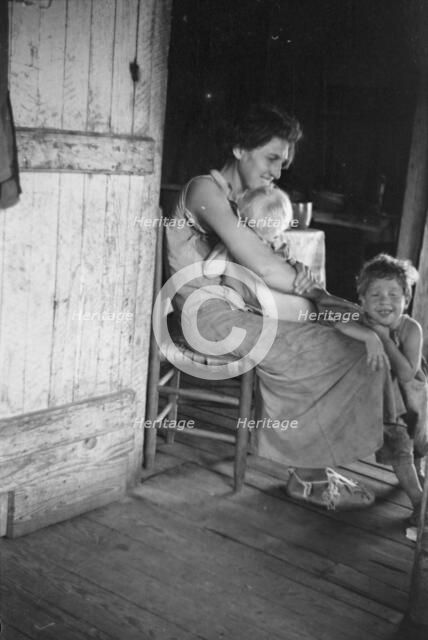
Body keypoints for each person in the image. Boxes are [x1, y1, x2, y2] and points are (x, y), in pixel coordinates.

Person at [165, 102, 405, 511]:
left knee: (348, 336)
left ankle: (364, 445)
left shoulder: (249, 197)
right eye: (272, 157)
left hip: (245, 308)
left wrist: (329, 304)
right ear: (240, 148)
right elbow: (261, 265)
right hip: (208, 317)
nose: (278, 171)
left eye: (283, 162)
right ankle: (308, 474)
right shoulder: (204, 189)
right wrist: (319, 298)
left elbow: (271, 265)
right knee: (326, 345)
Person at [329, 254, 428, 523]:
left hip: (414, 398)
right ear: (362, 300)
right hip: (388, 406)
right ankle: (419, 502)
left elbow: (407, 373)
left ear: (406, 300)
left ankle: (418, 475)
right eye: (375, 294)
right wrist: (370, 335)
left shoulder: (410, 329)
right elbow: (337, 323)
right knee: (400, 450)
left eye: (394, 294)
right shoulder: (363, 320)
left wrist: (384, 338)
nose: (385, 301)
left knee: (419, 446)